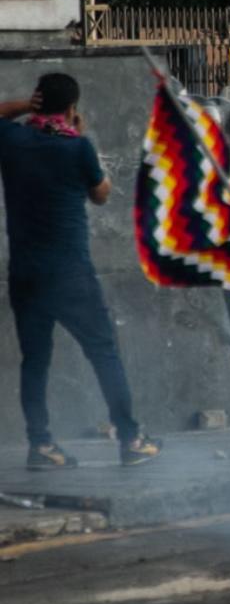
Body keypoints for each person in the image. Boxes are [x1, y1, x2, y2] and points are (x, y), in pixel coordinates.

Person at [0, 74, 155, 468]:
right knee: (104, 352)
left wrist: (24, 106)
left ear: (38, 101)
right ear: (72, 108)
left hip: (26, 272)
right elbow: (101, 194)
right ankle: (131, 439)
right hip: (70, 273)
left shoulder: (13, 140)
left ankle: (41, 445)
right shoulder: (77, 148)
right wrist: (79, 137)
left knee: (35, 360)